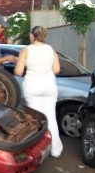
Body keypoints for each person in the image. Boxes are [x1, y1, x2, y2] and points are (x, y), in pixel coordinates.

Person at [14, 26, 63, 158]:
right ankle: (56, 150)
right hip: (49, 85)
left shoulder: (26, 50)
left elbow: (18, 71)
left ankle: (36, 151)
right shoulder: (51, 49)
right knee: (51, 118)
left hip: (32, 86)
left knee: (35, 120)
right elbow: (57, 70)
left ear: (32, 36)